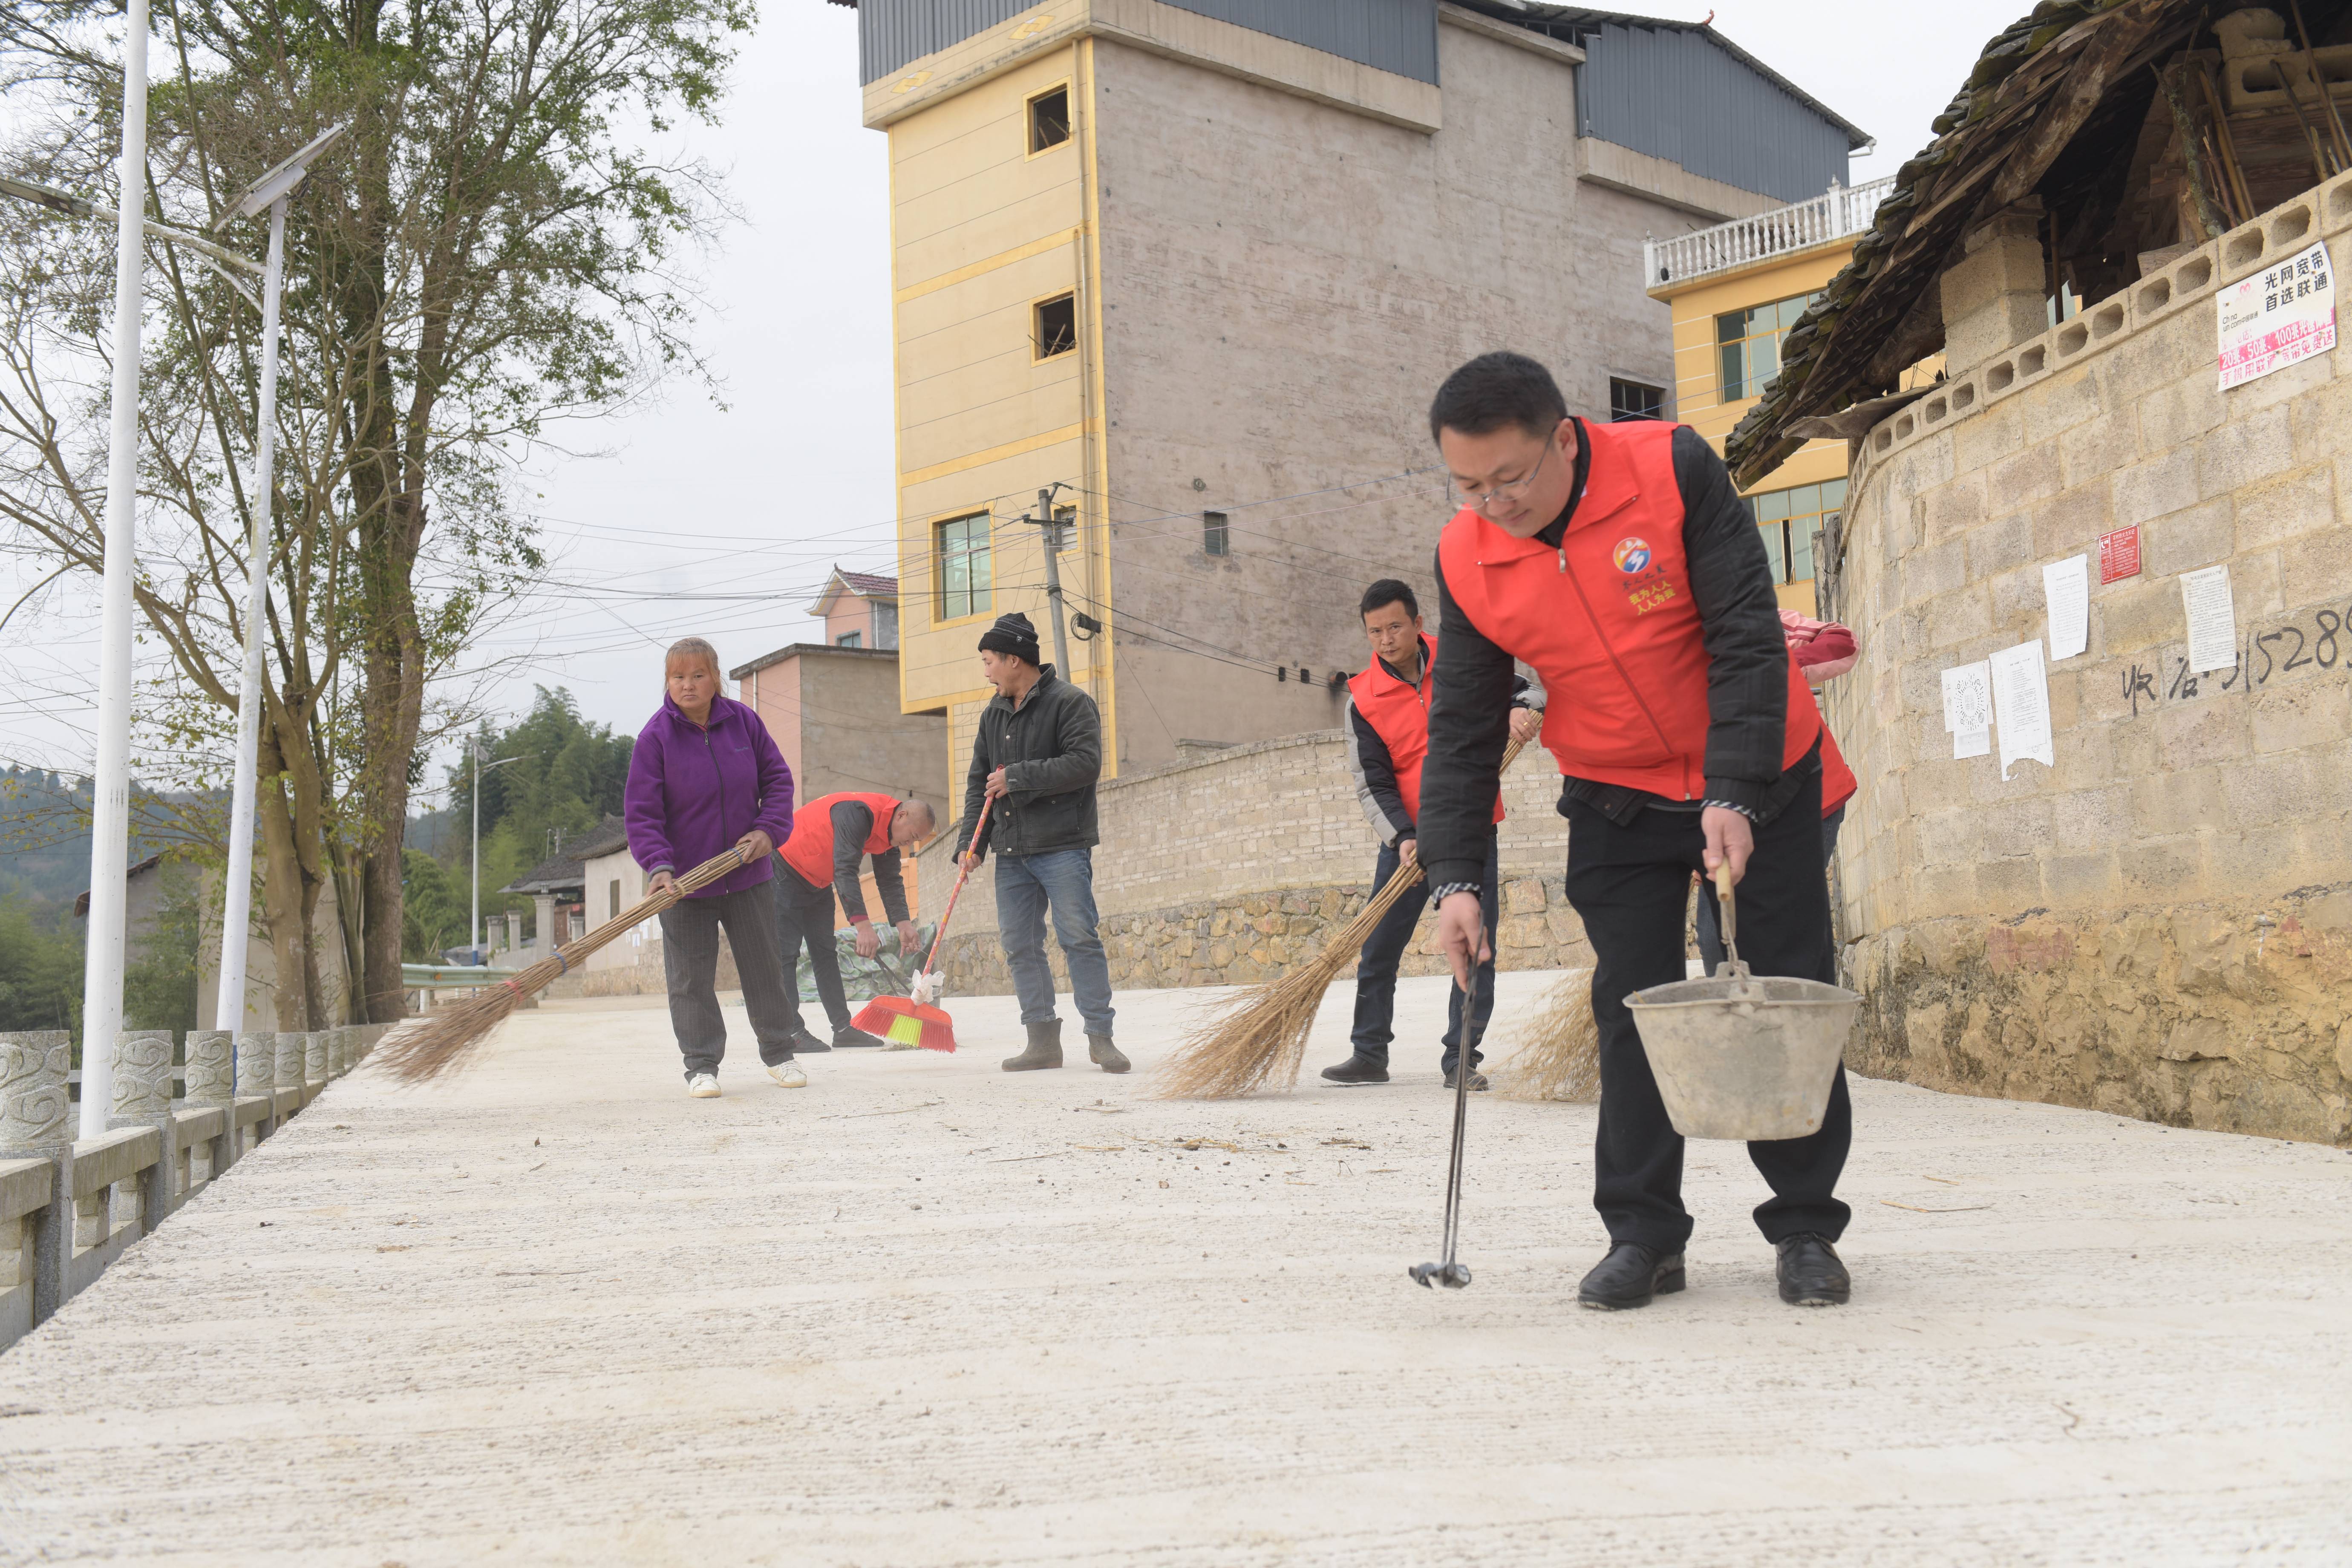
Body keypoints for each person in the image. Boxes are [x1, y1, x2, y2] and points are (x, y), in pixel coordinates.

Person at [1414, 352, 1860, 1311]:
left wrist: (1736, 790)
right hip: (1617, 788)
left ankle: (1808, 1225)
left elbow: (1745, 629)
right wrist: (1453, 876)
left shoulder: (1672, 467)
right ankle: (1643, 1233)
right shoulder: (1467, 556)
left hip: (1761, 772)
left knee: (1781, 994)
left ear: (1566, 440)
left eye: (1510, 478)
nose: (1492, 503)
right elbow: (1460, 725)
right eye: (1468, 485)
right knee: (1629, 1008)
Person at [1322, 577, 1542, 1090]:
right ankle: (1369, 1053)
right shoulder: (1362, 698)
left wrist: (1519, 707)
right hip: (1409, 842)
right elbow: (1370, 781)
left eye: (1395, 626)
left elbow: (1533, 688)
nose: (1385, 639)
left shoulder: (1460, 659)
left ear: (1419, 623)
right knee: (1378, 949)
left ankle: (1461, 1059)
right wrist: (1401, 836)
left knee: (1474, 946)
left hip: (1471, 826)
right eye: (1374, 631)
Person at [623, 637, 804, 1098]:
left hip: (747, 872)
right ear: (668, 682)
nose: (688, 685)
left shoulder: (744, 722)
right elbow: (643, 813)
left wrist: (768, 830)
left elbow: (778, 782)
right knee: (689, 977)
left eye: (697, 675)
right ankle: (702, 1065)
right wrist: (659, 867)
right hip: (684, 883)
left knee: (764, 966)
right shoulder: (655, 738)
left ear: (715, 677)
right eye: (678, 676)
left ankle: (780, 1052)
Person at [957, 611, 1124, 1074]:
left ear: (1014, 660)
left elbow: (1085, 763)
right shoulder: (992, 713)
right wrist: (970, 844)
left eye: (990, 660)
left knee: (1079, 938)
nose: (986, 670)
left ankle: (1100, 1037)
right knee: (1020, 945)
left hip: (1063, 846)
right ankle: (1042, 1041)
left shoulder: (1070, 702)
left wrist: (1018, 777)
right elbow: (980, 784)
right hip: (1011, 853)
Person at [1695, 610, 1859, 975]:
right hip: (1726, 812)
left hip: (1809, 800)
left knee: (1788, 927)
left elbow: (1843, 642)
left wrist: (1778, 665)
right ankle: (1739, 1026)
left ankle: (1799, 1022)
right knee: (1713, 937)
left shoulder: (1750, 615)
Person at [772, 792, 937, 1050]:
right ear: (902, 815)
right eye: (913, 836)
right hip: (785, 870)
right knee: (786, 954)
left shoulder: (889, 835)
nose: (909, 844)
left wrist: (904, 924)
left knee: (825, 952)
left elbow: (890, 879)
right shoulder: (857, 813)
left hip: (818, 881)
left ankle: (843, 1029)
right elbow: (846, 868)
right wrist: (863, 926)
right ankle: (790, 1033)